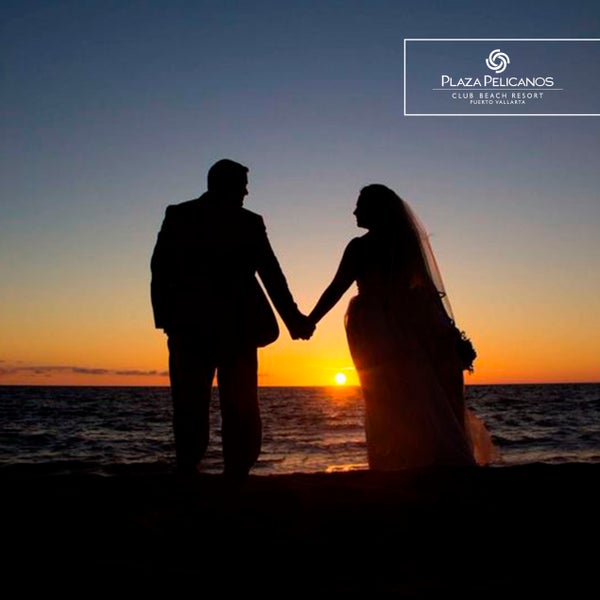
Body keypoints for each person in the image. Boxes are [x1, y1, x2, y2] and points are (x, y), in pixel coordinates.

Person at [308, 184, 496, 470]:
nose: (355, 210)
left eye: (360, 204)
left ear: (376, 209)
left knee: (383, 393)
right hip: (405, 325)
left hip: (373, 327)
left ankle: (395, 460)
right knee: (412, 389)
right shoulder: (406, 243)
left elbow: (336, 289)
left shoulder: (360, 246)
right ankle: (419, 457)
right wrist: (448, 332)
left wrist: (309, 321)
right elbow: (428, 292)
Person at [150, 158, 314, 479]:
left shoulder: (191, 216)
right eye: (243, 185)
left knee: (208, 404)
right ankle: (219, 470)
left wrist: (167, 320)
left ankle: (214, 470)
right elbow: (162, 269)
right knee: (214, 404)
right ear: (224, 184)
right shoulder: (205, 217)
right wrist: (294, 320)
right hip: (215, 329)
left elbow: (270, 274)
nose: (247, 192)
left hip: (211, 330)